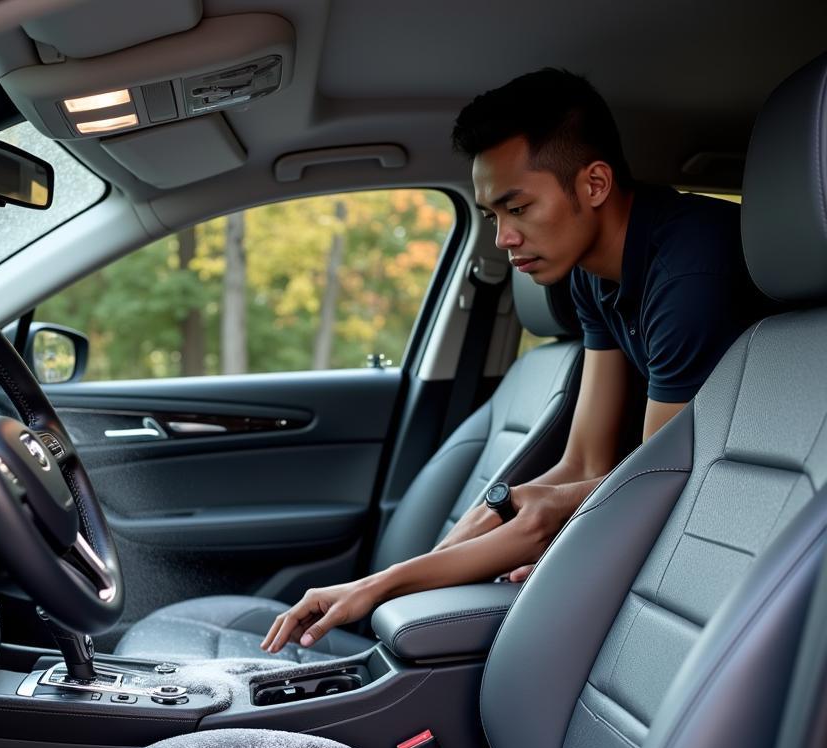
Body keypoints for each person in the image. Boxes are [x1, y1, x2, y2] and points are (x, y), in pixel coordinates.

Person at [261, 67, 763, 656]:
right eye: (492, 215)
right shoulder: (592, 277)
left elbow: (655, 485)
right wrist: (475, 532)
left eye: (517, 207)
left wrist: (377, 587)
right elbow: (585, 460)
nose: (502, 238)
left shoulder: (689, 271)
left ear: (594, 184)